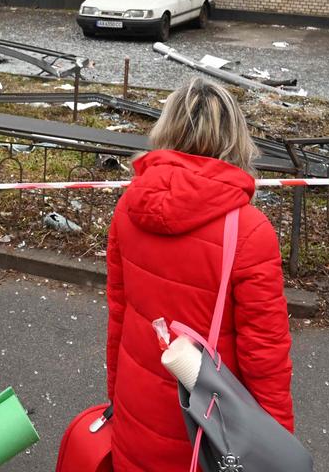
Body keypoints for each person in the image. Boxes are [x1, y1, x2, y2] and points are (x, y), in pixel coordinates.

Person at [105, 78, 294, 471]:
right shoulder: (250, 231)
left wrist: (116, 397)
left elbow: (119, 318)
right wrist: (276, 445)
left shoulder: (129, 207)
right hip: (206, 427)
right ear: (235, 138)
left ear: (167, 128)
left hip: (136, 405)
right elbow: (265, 358)